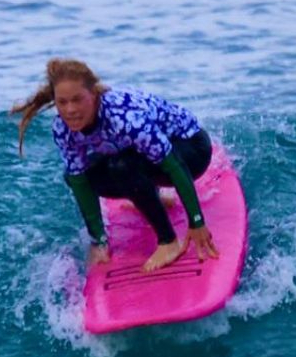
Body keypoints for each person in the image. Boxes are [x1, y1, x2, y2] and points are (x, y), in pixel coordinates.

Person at [13, 59, 220, 273]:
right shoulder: (62, 129)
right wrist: (99, 242)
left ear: (93, 95)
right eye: (62, 102)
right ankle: (154, 196)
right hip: (151, 157)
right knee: (79, 175)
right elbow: (80, 181)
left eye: (77, 100)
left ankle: (168, 242)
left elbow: (174, 165)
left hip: (191, 150)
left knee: (122, 166)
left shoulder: (122, 117)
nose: (70, 109)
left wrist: (196, 222)